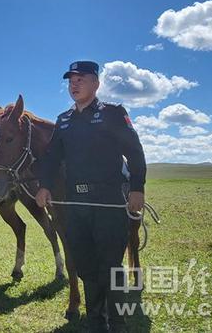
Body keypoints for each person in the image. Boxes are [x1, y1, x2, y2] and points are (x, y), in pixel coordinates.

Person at [35, 61, 147, 333]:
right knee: (85, 264)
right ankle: (96, 322)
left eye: (80, 79)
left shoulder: (113, 113)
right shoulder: (63, 120)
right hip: (76, 205)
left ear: (96, 83)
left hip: (108, 201)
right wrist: (45, 185)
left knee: (111, 265)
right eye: (70, 80)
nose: (74, 84)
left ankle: (117, 322)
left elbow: (134, 151)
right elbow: (51, 158)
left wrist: (137, 188)